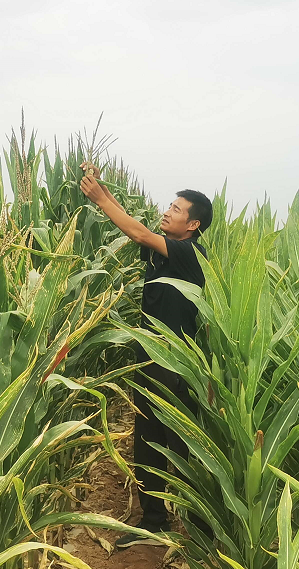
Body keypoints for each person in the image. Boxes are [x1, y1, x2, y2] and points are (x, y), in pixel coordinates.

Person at [78, 162, 213, 548]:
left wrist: (100, 199)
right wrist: (103, 188)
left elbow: (137, 231)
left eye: (177, 209)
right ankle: (154, 521)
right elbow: (139, 230)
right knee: (147, 441)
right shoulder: (163, 251)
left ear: (193, 225)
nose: (168, 211)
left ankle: (202, 530)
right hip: (149, 359)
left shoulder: (190, 253)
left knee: (182, 446)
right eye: (170, 205)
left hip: (176, 364)